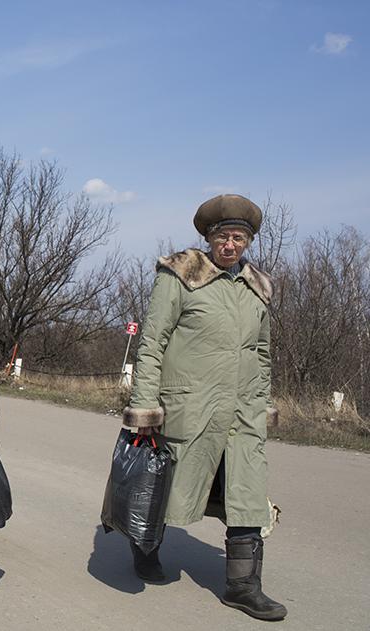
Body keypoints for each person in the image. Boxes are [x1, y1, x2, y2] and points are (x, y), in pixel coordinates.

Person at [122, 194, 286, 620]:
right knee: (165, 489)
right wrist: (145, 406)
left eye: (238, 237)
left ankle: (243, 587)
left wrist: (262, 402)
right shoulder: (180, 275)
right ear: (208, 238)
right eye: (222, 236)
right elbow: (152, 342)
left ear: (248, 241)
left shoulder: (258, 288)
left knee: (248, 495)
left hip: (242, 413)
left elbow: (263, 353)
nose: (230, 245)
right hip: (189, 409)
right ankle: (145, 548)